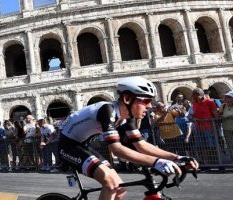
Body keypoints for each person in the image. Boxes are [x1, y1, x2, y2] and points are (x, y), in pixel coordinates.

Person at [58, 76, 199, 200]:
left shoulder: (128, 116)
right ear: (127, 99)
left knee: (119, 190)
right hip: (68, 145)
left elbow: (141, 145)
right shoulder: (107, 110)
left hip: (84, 144)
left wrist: (176, 158)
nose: (150, 106)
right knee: (111, 182)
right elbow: (117, 149)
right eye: (146, 101)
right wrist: (156, 162)